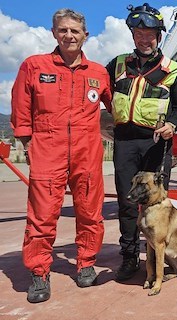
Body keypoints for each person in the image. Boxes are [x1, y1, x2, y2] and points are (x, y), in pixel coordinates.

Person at [11, 9, 112, 303]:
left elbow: (118, 106)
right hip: (47, 147)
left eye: (75, 31)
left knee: (91, 212)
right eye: (63, 30)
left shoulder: (98, 73)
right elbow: (20, 106)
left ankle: (86, 264)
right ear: (54, 32)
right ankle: (40, 273)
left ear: (85, 36)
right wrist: (26, 142)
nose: (69, 35)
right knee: (42, 215)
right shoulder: (33, 66)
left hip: (87, 149)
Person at [105, 3, 177, 281]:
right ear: (132, 35)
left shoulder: (173, 69)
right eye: (139, 32)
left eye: (150, 33)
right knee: (128, 204)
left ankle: (155, 258)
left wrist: (172, 125)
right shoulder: (116, 65)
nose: (145, 38)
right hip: (125, 143)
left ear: (159, 36)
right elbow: (101, 93)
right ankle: (129, 258)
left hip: (155, 144)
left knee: (154, 205)